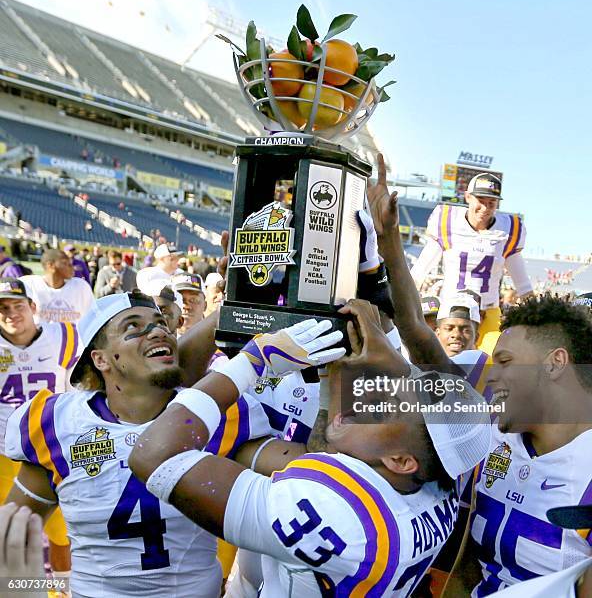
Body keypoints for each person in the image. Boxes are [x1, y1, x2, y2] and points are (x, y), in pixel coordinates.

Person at [129, 299, 491, 597]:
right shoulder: (437, 474)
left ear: (399, 460)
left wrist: (253, 361)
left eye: (383, 404)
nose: (365, 396)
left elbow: (154, 456)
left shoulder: (337, 509)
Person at [2, 291, 266, 597]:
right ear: (100, 359)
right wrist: (27, 590)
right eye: (132, 327)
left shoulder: (210, 414)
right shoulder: (57, 425)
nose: (158, 331)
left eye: (161, 324)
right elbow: (10, 540)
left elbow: (305, 470)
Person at [444, 295, 592, 596]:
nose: (492, 376)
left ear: (555, 364)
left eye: (506, 362)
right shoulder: (494, 442)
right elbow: (469, 567)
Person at [0, 278, 79, 577]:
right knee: (8, 539)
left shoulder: (65, 336)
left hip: (50, 455)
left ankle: (62, 592)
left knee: (63, 536)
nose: (11, 313)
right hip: (3, 457)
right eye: (3, 308)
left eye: (18, 305)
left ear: (33, 307)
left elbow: (81, 387)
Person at [410, 173, 533, 353]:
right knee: (447, 362)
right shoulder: (447, 221)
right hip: (452, 311)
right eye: (480, 200)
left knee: (489, 363)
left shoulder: (508, 230)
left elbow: (523, 285)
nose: (485, 207)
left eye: (491, 203)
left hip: (488, 310)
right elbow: (419, 272)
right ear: (468, 197)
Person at [20, 249, 94, 324]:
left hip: (72, 335)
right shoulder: (29, 285)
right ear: (51, 265)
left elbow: (92, 317)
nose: (72, 267)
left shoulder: (80, 286)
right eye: (66, 263)